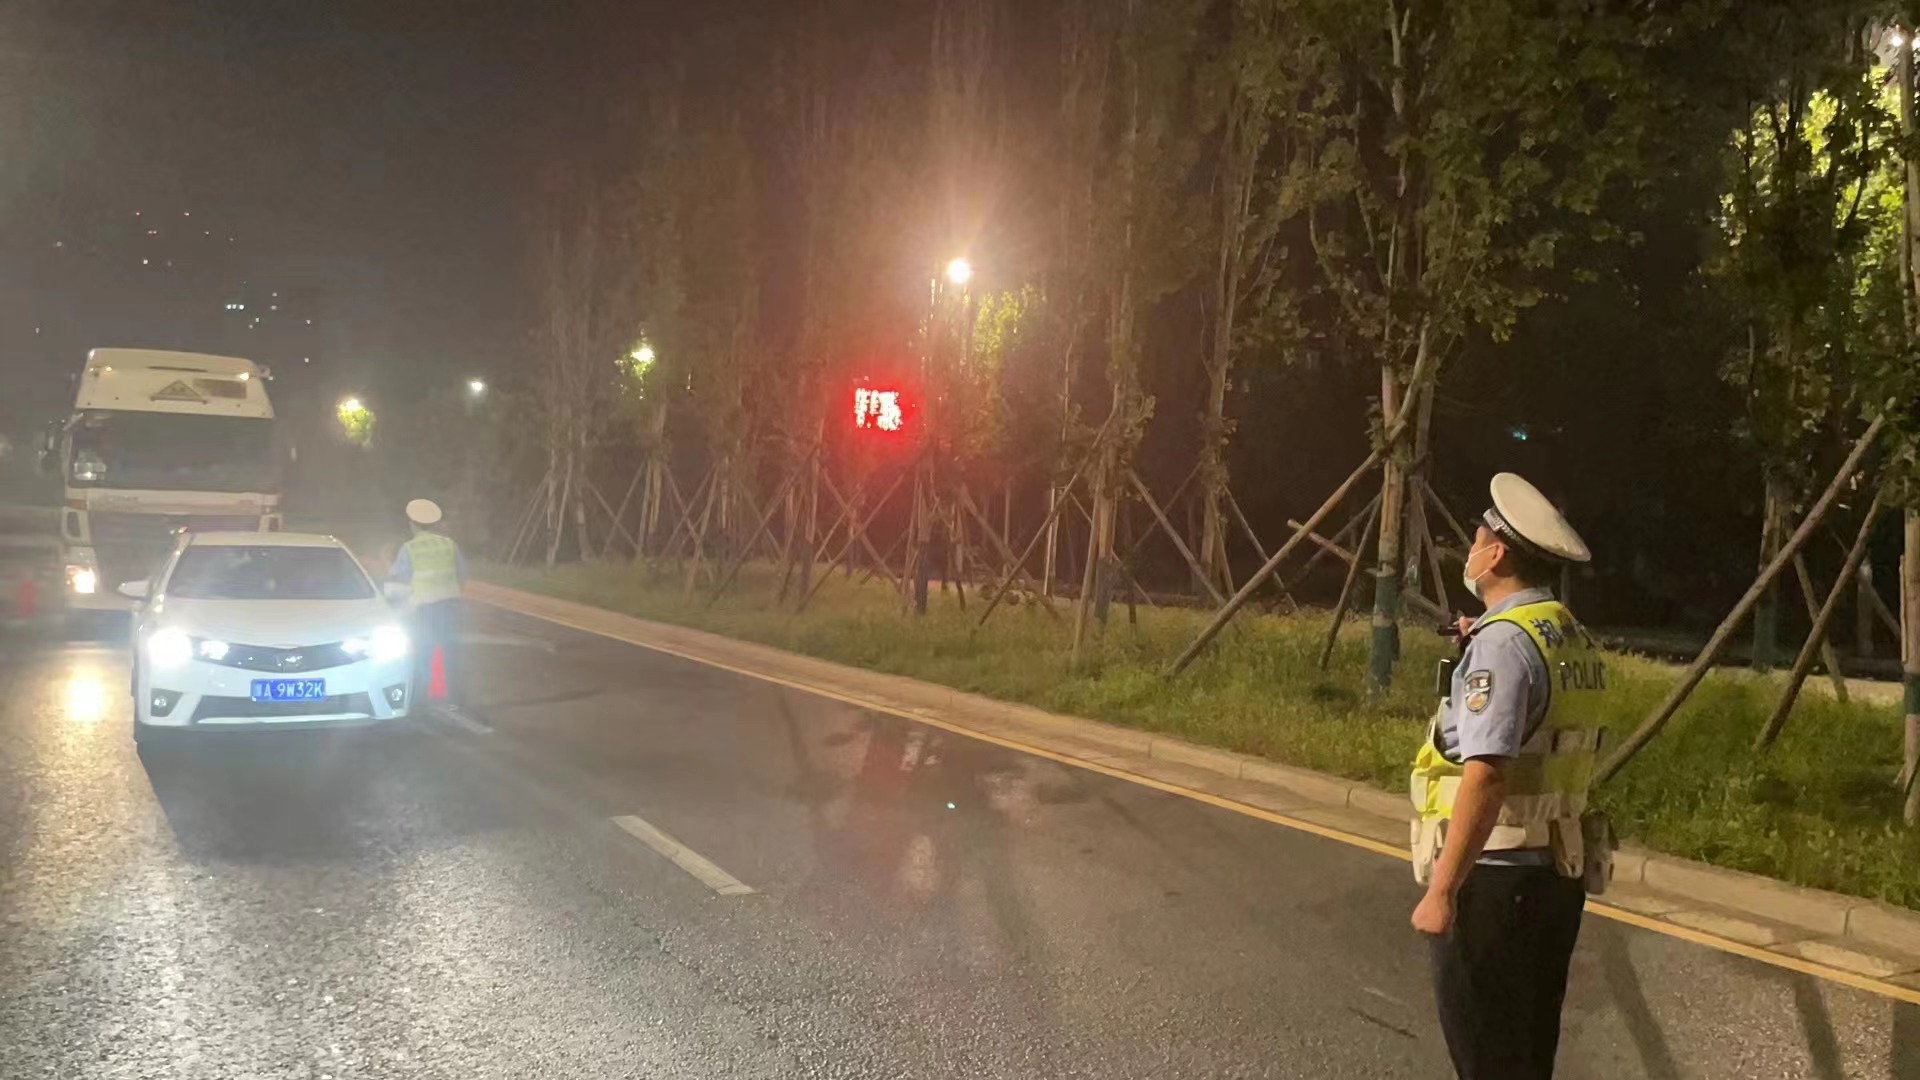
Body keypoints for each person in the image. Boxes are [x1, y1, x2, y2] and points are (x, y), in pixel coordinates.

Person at [1409, 473, 1611, 1080]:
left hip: (1494, 882)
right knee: (1527, 1053)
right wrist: (1478, 643)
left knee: (1487, 1058)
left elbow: (1487, 774)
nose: (1469, 553)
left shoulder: (1503, 645)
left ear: (1495, 554)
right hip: (1555, 876)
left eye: (1475, 542)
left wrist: (1443, 891)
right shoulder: (1568, 634)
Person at [388, 498, 467, 709]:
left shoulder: (409, 549)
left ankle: (424, 701)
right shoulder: (449, 544)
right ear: (434, 523)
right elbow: (462, 574)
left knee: (424, 652)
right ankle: (455, 699)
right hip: (450, 605)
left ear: (412, 523)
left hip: (424, 608)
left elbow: (398, 580)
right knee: (450, 651)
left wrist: (395, 606)